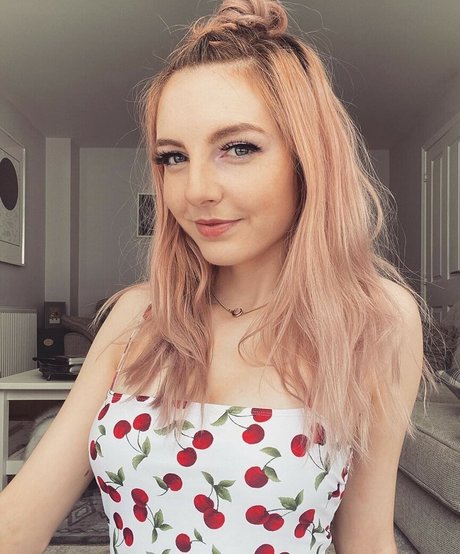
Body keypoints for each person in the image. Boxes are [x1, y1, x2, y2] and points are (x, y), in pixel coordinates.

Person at [0, 1, 435, 552]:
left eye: (238, 148)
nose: (196, 190)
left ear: (308, 161)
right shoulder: (139, 314)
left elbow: (367, 539)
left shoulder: (377, 319)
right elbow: (19, 520)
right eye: (173, 157)